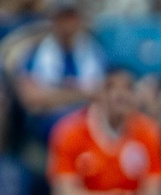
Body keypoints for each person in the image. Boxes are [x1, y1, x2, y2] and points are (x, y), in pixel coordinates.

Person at [49, 69, 161, 195]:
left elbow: (155, 194)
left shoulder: (151, 132)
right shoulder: (70, 131)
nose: (120, 95)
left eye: (128, 88)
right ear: (98, 93)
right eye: (111, 87)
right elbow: (64, 193)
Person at [11, 0, 104, 134]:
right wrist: (82, 93)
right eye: (61, 18)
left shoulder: (95, 51)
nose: (66, 24)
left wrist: (54, 95)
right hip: (48, 121)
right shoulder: (35, 52)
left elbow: (103, 92)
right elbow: (31, 98)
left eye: (71, 17)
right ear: (52, 20)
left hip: (89, 119)